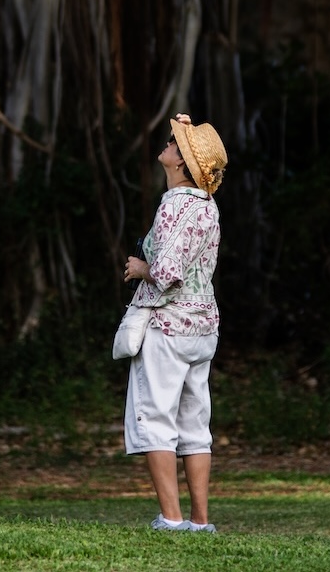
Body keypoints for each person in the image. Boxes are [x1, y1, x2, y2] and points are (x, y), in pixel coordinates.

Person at [123, 112, 228, 532]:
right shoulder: (208, 205)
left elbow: (167, 273)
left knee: (155, 418)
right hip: (203, 327)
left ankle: (171, 517)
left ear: (182, 162)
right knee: (195, 425)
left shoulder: (172, 206)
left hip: (167, 327)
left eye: (173, 142)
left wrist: (139, 268)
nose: (166, 145)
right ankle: (201, 521)